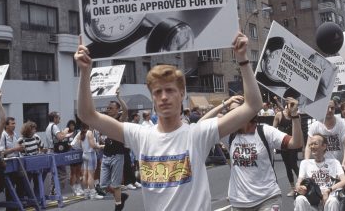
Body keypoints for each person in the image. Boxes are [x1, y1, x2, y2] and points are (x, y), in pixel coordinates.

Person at [75, 32, 263, 210]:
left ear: (181, 94)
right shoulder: (140, 135)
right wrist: (85, 72)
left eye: (170, 90)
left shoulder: (198, 134)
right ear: (153, 98)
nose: (164, 97)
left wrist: (242, 59)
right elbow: (87, 115)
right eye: (158, 92)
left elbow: (252, 105)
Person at [202, 96, 303, 209]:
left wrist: (294, 115)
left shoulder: (264, 131)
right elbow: (200, 125)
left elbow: (296, 143)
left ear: (246, 111)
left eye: (234, 111)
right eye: (229, 111)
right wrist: (225, 103)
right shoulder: (229, 134)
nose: (230, 115)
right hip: (239, 203)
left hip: (267, 199)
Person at [294, 134, 345, 211]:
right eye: (310, 144)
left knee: (333, 201)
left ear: (324, 146)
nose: (312, 147)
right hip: (312, 200)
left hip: (328, 199)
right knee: (300, 199)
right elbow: (299, 182)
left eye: (315, 144)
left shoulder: (334, 162)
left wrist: (328, 191)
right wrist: (299, 187)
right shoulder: (305, 163)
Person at [99, 98, 130, 209]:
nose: (108, 110)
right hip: (106, 155)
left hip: (117, 155)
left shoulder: (119, 119)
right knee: (103, 184)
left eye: (111, 108)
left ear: (117, 110)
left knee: (116, 185)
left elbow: (126, 110)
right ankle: (121, 196)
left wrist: (119, 97)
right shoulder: (106, 120)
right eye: (107, 108)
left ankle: (118, 206)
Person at [304, 100, 345, 173]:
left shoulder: (341, 123)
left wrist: (344, 163)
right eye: (327, 108)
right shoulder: (315, 125)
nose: (330, 110)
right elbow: (308, 146)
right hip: (322, 166)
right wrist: (306, 162)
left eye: (332, 108)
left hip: (340, 165)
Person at [273, 98, 301, 197]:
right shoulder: (279, 115)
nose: (293, 107)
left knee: (293, 164)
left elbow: (299, 131)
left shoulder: (296, 115)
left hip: (293, 144)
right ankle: (293, 188)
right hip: (283, 144)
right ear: (287, 104)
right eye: (291, 105)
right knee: (287, 166)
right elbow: (273, 130)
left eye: (295, 105)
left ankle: (301, 186)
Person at [74, 123, 104, 200]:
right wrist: (102, 146)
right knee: (91, 175)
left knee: (85, 175)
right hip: (91, 154)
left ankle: (86, 193)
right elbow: (93, 145)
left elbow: (79, 145)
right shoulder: (89, 132)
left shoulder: (81, 133)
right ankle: (93, 194)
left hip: (84, 154)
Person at [45, 111, 71, 195]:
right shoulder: (54, 126)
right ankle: (57, 191)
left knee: (54, 173)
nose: (60, 119)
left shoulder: (48, 126)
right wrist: (65, 132)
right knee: (62, 173)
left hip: (50, 151)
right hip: (56, 152)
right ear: (55, 118)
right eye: (58, 117)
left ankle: (53, 191)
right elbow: (60, 137)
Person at [66, 119, 84, 196]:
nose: (72, 126)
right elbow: (65, 144)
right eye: (70, 125)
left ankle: (79, 187)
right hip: (71, 154)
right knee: (73, 172)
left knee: (78, 171)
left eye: (73, 125)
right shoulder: (66, 133)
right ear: (68, 126)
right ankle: (73, 189)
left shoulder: (77, 132)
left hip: (78, 152)